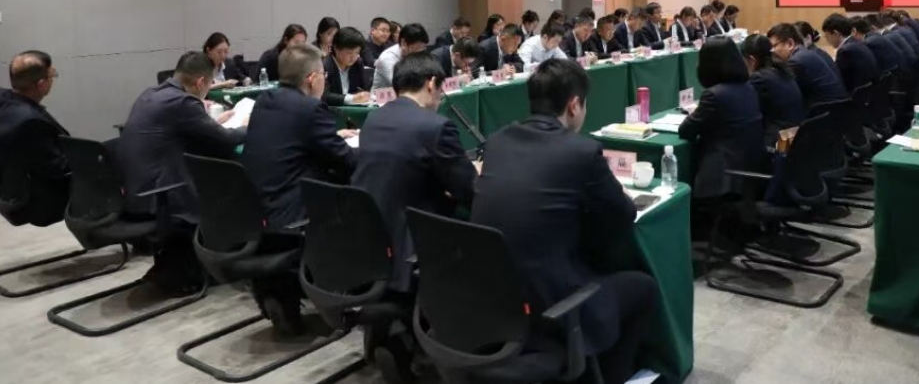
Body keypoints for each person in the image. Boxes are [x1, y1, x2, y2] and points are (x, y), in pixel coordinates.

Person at [472, 59, 658, 384]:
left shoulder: (498, 141)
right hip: (550, 301)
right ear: (574, 105)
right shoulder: (581, 150)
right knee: (643, 288)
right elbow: (624, 214)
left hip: (491, 297)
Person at [352, 52, 479, 382]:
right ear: (432, 84)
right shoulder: (435, 127)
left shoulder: (374, 118)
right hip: (410, 247)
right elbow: (468, 190)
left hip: (369, 241)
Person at [240, 43, 358, 335]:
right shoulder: (310, 108)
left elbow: (292, 139)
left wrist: (331, 136)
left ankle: (279, 294)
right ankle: (344, 293)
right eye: (323, 75)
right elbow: (345, 159)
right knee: (351, 197)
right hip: (291, 213)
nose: (325, 80)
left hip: (254, 208)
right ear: (311, 79)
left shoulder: (265, 100)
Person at [113, 51, 245, 295]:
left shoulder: (150, 94)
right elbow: (226, 140)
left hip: (131, 191)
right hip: (159, 197)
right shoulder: (183, 103)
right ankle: (225, 260)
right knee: (226, 182)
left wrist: (211, 123)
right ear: (200, 82)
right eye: (209, 84)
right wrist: (248, 125)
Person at [679, 39, 763, 203]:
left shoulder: (714, 95)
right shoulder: (749, 88)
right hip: (749, 170)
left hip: (723, 177)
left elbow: (686, 131)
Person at [0, 51, 69, 227]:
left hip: (10, 190)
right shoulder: (30, 122)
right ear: (42, 85)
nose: (53, 80)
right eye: (52, 76)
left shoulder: (5, 100)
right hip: (39, 203)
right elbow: (59, 170)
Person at [740, 35, 805, 150]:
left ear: (752, 60)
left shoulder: (760, 78)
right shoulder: (782, 70)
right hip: (795, 137)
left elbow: (745, 111)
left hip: (778, 143)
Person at [767, 23, 847, 111]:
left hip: (827, 113)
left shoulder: (796, 61)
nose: (772, 52)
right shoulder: (805, 54)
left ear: (790, 44)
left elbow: (780, 92)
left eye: (774, 46)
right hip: (838, 110)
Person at [821, 14, 880, 92]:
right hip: (871, 92)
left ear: (836, 33)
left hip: (858, 95)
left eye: (827, 36)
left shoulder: (845, 50)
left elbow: (839, 79)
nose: (827, 40)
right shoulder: (856, 43)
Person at [322, 27, 370, 106]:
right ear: (336, 48)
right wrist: (352, 98)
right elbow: (324, 95)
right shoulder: (324, 66)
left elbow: (363, 88)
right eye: (349, 53)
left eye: (357, 52)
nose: (353, 57)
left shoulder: (357, 64)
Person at [375, 23, 430, 89]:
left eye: (423, 48)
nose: (419, 53)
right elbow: (399, 85)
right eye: (416, 48)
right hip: (385, 94)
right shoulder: (387, 58)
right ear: (403, 43)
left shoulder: (420, 53)